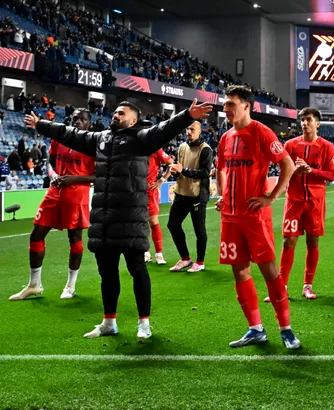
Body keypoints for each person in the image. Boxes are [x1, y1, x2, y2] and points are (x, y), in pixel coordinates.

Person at [24, 99, 212, 340]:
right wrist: (41, 124)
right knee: (107, 274)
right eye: (114, 112)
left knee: (138, 270)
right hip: (104, 220)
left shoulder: (141, 139)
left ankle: (144, 324)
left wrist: (188, 115)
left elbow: (165, 128)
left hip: (131, 218)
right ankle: (108, 322)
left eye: (121, 113)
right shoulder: (101, 139)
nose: (115, 115)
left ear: (132, 120)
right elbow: (69, 134)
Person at [215, 85, 300, 350]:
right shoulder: (226, 137)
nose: (226, 108)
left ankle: (285, 329)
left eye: (231, 104)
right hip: (230, 217)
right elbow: (220, 169)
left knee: (269, 271)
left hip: (254, 215)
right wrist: (221, 195)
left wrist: (271, 197)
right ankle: (255, 328)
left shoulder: (262, 132)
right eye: (225, 104)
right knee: (239, 271)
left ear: (246, 106)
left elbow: (288, 164)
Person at [9, 110, 94, 301]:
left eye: (83, 119)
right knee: (36, 234)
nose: (78, 122)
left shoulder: (93, 144)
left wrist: (73, 179)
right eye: (75, 119)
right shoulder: (60, 137)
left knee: (75, 238)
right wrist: (53, 175)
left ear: (90, 123)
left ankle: (70, 285)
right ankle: (34, 284)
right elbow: (51, 161)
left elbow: (100, 175)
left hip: (77, 195)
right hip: (54, 193)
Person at [270, 108, 334, 300]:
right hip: (294, 201)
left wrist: (311, 171)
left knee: (312, 241)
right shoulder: (290, 145)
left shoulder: (327, 147)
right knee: (288, 240)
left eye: (308, 119)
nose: (304, 123)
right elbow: (283, 169)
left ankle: (307, 285)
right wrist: (295, 171)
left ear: (317, 123)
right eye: (302, 120)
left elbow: (331, 175)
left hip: (316, 202)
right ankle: (281, 285)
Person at [167, 121, 213, 273]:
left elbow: (205, 173)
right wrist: (175, 171)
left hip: (197, 195)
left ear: (200, 131)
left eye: (192, 129)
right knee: (172, 224)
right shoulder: (181, 147)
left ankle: (200, 262)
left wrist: (184, 170)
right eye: (187, 128)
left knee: (199, 229)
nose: (189, 131)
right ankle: (185, 259)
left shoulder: (205, 150)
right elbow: (180, 168)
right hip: (181, 193)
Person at [144, 148, 173, 265]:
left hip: (150, 190)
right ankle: (146, 252)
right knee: (141, 222)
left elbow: (171, 164)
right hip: (135, 190)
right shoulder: (134, 146)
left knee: (153, 221)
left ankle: (159, 254)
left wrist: (161, 180)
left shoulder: (155, 149)